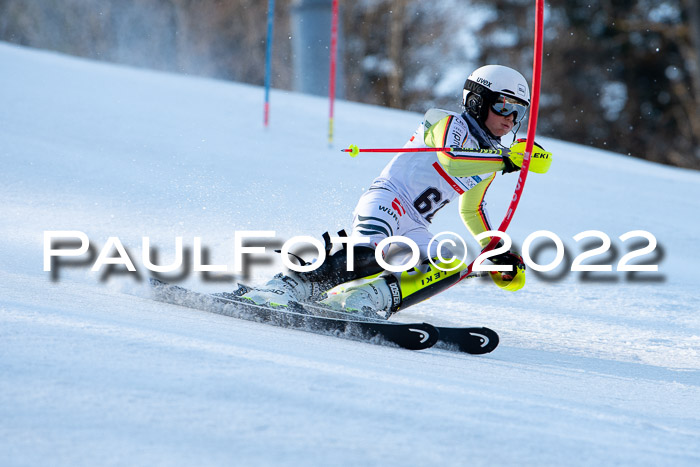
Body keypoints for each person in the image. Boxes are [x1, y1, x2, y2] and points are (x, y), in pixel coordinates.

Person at [241, 64, 549, 318]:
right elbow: (451, 159)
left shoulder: (491, 159)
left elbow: (471, 209)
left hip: (416, 225)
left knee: (449, 265)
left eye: (517, 112)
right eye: (503, 106)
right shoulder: (445, 122)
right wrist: (504, 160)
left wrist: (496, 249)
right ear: (478, 100)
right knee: (375, 252)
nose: (509, 119)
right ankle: (288, 285)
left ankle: (363, 298)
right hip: (388, 199)